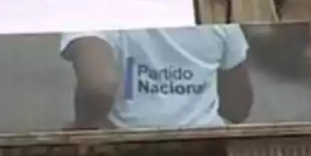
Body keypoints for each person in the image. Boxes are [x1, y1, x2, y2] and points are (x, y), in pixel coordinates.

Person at [60, 25, 254, 130]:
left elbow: (99, 85)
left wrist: (83, 129)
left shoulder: (99, 11)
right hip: (208, 155)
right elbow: (238, 108)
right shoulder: (216, 17)